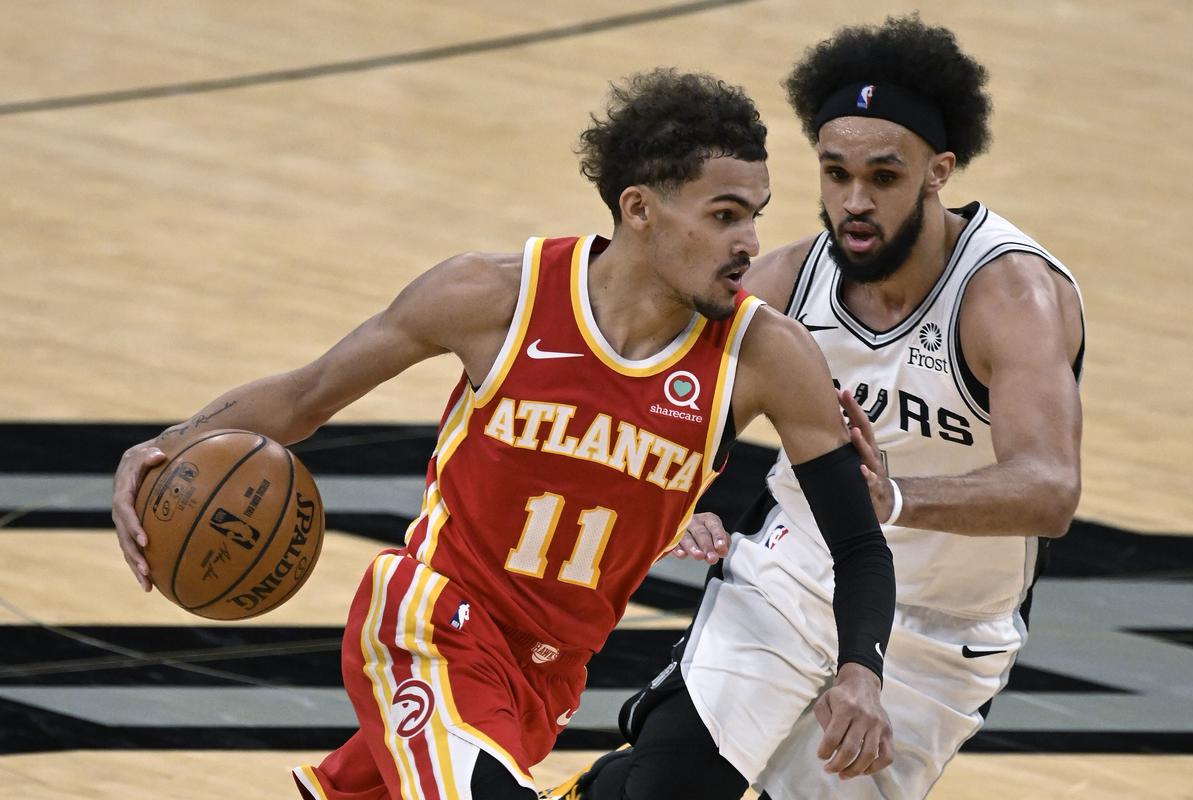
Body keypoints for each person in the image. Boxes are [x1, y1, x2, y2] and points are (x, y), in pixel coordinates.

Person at [110, 69, 897, 800]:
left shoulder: (766, 358)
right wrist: (168, 446)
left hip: (543, 685)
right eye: (724, 216)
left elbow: (858, 546)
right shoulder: (494, 296)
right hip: (429, 626)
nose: (749, 245)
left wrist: (861, 669)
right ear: (639, 208)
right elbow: (307, 395)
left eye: (755, 217)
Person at [549, 14, 1085, 800]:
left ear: (939, 171)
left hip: (941, 633)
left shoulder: (1008, 294)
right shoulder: (787, 284)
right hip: (793, 574)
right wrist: (682, 495)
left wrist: (894, 497)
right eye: (836, 174)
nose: (854, 201)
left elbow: (1049, 489)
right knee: (667, 785)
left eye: (884, 177)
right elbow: (673, 408)